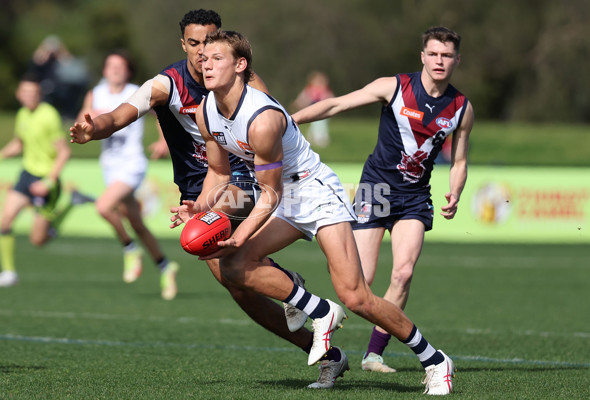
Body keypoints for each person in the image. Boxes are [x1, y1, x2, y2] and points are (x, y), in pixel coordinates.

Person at [70, 9, 346, 389]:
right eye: (195, 43)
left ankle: (302, 297)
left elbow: (273, 127)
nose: (203, 53)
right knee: (234, 283)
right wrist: (94, 128)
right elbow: (120, 114)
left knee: (226, 258)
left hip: (241, 181)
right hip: (198, 188)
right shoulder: (166, 85)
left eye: (210, 41)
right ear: (183, 44)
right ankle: (323, 347)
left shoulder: (243, 78)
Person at [171, 29, 455, 396]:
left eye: (216, 59)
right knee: (233, 266)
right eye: (203, 59)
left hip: (314, 191)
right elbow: (220, 173)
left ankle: (434, 360)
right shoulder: (206, 113)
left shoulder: (263, 118)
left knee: (355, 296)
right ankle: (318, 309)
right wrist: (201, 205)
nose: (205, 65)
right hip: (281, 193)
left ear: (240, 66)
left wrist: (240, 234)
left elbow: (269, 193)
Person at [293, 26, 473, 375]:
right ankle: (299, 293)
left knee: (403, 274)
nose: (439, 61)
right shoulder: (394, 87)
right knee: (359, 281)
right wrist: (292, 119)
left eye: (447, 55)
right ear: (422, 56)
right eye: (433, 54)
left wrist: (457, 189)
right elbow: (338, 103)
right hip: (376, 190)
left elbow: (461, 160)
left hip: (416, 198)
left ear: (456, 60)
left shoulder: (462, 108)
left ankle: (374, 354)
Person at [75, 51, 179, 300]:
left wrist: (163, 141)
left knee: (103, 207)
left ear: (128, 71)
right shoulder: (96, 93)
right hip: (109, 165)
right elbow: (82, 118)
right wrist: (87, 122)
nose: (115, 70)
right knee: (136, 223)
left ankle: (130, 249)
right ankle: (166, 267)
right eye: (111, 65)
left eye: (120, 66)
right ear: (104, 70)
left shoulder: (136, 90)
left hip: (133, 164)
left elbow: (159, 115)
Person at [0, 74, 93, 287]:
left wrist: (48, 182)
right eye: (25, 92)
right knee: (5, 221)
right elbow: (19, 143)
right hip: (26, 175)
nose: (29, 96)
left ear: (39, 95)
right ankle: (9, 272)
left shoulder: (48, 116)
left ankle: (71, 204)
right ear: (18, 94)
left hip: (46, 180)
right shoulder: (22, 114)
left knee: (38, 241)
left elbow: (64, 152)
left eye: (33, 93)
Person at [291, 71, 334, 147]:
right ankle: (316, 139)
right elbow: (304, 97)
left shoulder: (325, 90)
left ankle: (320, 140)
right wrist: (298, 103)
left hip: (324, 110)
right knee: (315, 124)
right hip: (314, 109)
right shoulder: (310, 89)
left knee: (320, 125)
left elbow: (331, 98)